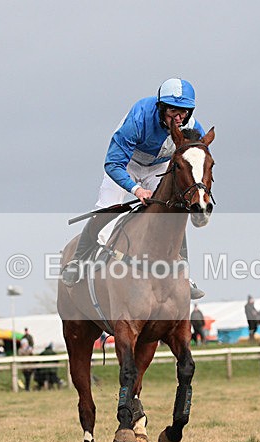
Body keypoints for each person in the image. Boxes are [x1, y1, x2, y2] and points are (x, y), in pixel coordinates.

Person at [60, 78, 208, 300]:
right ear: (160, 108)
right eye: (172, 112)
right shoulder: (139, 118)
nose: (177, 118)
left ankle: (184, 274)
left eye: (183, 113)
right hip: (126, 163)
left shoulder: (193, 128)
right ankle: (78, 260)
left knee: (172, 212)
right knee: (107, 207)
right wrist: (136, 189)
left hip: (158, 166)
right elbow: (112, 163)